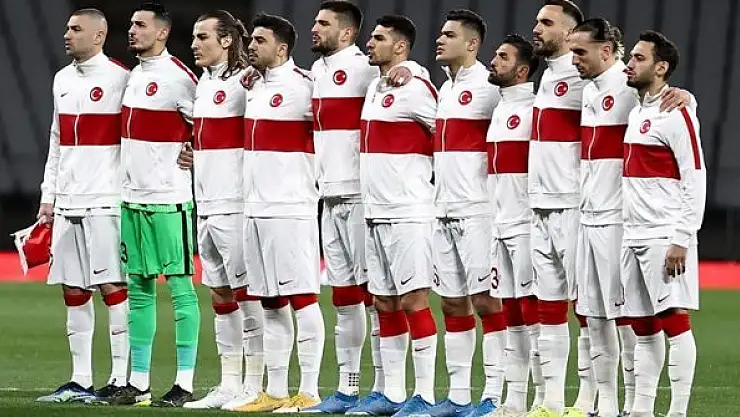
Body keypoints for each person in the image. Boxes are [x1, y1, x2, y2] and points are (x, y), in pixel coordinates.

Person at [306, 2, 418, 412]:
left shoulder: (364, 67)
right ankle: (348, 388)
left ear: (347, 33)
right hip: (329, 196)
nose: (314, 28)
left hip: (361, 196)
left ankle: (388, 388)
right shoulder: (316, 71)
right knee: (344, 297)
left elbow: (407, 75)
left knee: (377, 297)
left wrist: (413, 70)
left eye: (323, 23)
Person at [102, 2, 200, 407]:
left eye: (140, 25)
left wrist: (195, 150)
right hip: (132, 200)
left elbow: (207, 126)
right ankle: (139, 383)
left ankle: (184, 383)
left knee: (181, 290)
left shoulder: (180, 78)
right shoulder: (134, 76)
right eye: (130, 24)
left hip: (169, 200)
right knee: (139, 290)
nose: (132, 30)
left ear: (162, 32)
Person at [35, 7, 130, 404]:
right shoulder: (61, 79)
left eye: (76, 29)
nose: (67, 35)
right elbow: (57, 141)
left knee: (113, 286)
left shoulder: (121, 79)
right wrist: (49, 196)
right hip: (68, 201)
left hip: (106, 200)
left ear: (98, 36)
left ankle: (121, 378)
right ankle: (80, 380)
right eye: (67, 28)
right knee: (73, 289)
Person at [346, 14, 439, 417]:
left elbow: (444, 133)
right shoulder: (375, 86)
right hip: (375, 212)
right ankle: (394, 394)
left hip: (409, 211)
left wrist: (416, 69)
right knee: (384, 302)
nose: (370, 43)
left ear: (400, 47)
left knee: (414, 299)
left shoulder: (415, 86)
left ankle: (426, 395)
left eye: (379, 38)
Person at [234, 13, 325, 413]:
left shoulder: (307, 86)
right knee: (270, 301)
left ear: (283, 48)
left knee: (302, 298)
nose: (251, 46)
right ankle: (274, 391)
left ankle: (309, 391)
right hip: (255, 209)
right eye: (251, 40)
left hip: (291, 209)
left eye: (260, 41)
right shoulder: (254, 86)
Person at [181, 10, 265, 411]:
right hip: (207, 203)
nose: (194, 44)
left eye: (203, 37)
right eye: (194, 37)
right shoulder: (204, 84)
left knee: (248, 294)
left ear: (227, 40)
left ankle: (255, 384)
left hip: (236, 203)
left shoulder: (248, 81)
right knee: (220, 294)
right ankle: (229, 383)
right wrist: (194, 152)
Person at [424, 9, 505, 417]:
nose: (440, 39)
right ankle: (458, 398)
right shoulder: (444, 87)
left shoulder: (491, 87)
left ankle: (494, 396)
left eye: (449, 34)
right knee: (453, 305)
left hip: (478, 213)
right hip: (443, 212)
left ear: (472, 44)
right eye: (440, 33)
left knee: (487, 303)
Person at [622, 30, 705, 417]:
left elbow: (695, 176)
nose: (629, 64)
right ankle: (642, 409)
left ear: (661, 67)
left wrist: (682, 237)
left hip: (663, 234)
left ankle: (678, 411)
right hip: (632, 233)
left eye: (639, 58)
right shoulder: (637, 111)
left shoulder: (677, 113)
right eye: (630, 56)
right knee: (642, 326)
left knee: (673, 321)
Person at [527, 2, 595, 415]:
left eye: (546, 23)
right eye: (537, 21)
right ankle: (551, 402)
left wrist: (684, 97)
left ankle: (588, 400)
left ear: (570, 33)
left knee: (586, 308)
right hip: (540, 207)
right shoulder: (550, 74)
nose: (536, 28)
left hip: (574, 207)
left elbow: (640, 96)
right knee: (547, 308)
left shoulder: (585, 74)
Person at [568, 19, 638, 417]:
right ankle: (606, 404)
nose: (574, 59)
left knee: (624, 315)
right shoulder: (589, 89)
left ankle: (634, 403)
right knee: (593, 315)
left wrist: (685, 97)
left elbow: (671, 101)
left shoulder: (629, 86)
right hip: (588, 217)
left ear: (606, 51)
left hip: (617, 220)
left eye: (581, 52)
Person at [486, 33, 540, 416]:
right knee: (511, 314)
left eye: (502, 57)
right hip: (499, 224)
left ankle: (543, 398)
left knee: (533, 313)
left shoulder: (537, 108)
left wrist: (686, 96)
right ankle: (515, 400)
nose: (494, 61)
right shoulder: (499, 107)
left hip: (526, 224)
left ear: (522, 70)